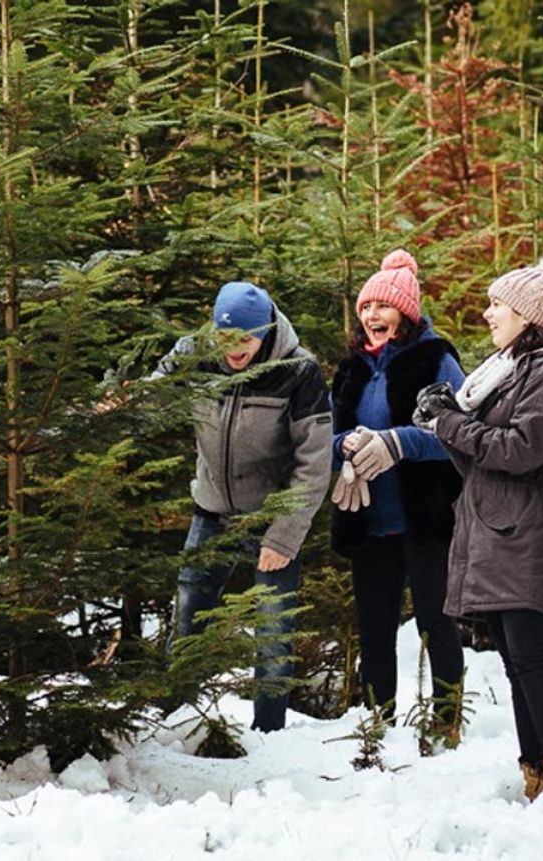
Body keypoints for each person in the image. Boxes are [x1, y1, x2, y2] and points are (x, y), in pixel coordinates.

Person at [414, 248, 543, 813]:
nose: (488, 313)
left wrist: (452, 422)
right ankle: (535, 771)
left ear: (528, 315)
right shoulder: (506, 373)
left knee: (533, 656)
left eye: (498, 304)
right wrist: (445, 418)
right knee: (516, 663)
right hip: (495, 528)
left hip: (529, 531)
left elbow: (520, 450)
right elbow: (480, 460)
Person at [156, 280, 332, 732]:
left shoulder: (299, 371)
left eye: (247, 339)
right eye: (226, 337)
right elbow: (153, 395)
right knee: (188, 615)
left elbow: (314, 464)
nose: (235, 348)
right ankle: (173, 721)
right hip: (210, 512)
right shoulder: (194, 354)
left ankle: (269, 733)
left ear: (266, 332)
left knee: (273, 632)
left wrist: (284, 535)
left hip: (271, 519)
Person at [328, 249, 466, 731]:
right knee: (375, 626)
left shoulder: (436, 360)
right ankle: (376, 721)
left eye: (382, 307)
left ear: (405, 313)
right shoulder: (351, 370)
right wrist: (345, 447)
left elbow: (457, 435)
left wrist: (395, 443)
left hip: (425, 516)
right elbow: (326, 434)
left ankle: (448, 719)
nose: (371, 316)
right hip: (369, 517)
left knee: (435, 619)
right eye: (366, 308)